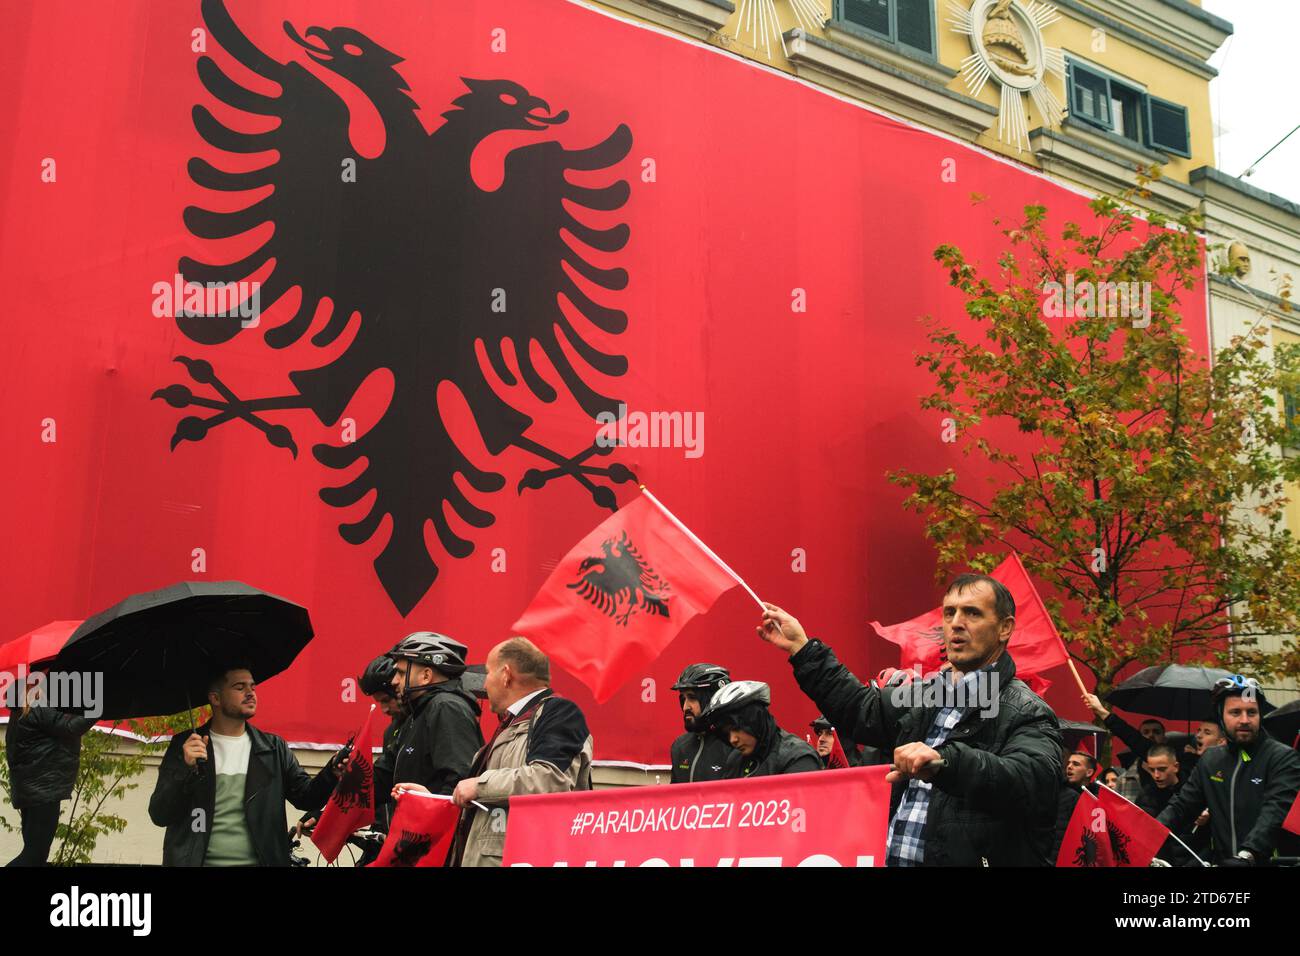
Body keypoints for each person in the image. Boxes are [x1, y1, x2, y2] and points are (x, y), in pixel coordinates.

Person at [758, 573, 1064, 866]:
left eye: (972, 613)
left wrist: (945, 763)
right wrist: (802, 649)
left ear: (1004, 628)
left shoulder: (1027, 710)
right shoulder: (925, 695)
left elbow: (1030, 781)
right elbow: (858, 707)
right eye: (949, 613)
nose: (956, 623)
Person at [148, 664, 342, 866]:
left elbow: (307, 798)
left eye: (253, 687)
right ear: (215, 698)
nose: (250, 693)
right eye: (240, 687)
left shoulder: (273, 749)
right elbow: (160, 814)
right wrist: (186, 771)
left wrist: (331, 772)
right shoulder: (186, 745)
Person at [442, 638, 592, 867]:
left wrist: (479, 785)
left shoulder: (559, 714)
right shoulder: (514, 724)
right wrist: (427, 798)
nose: (484, 684)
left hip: (525, 858)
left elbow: (550, 780)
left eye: (487, 672)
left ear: (505, 675)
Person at [1157, 676, 1300, 865]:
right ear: (1221, 717)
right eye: (1235, 712)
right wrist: (1145, 834)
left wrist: (1249, 854)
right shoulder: (1211, 759)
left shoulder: (1282, 757)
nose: (1244, 720)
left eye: (1251, 712)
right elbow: (1181, 807)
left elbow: (1274, 813)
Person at [4, 672, 94, 866]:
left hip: (32, 790)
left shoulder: (24, 706)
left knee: (36, 856)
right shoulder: (38, 705)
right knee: (34, 856)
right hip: (42, 790)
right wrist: (98, 710)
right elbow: (70, 727)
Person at [386, 632, 483, 797]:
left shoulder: (446, 707)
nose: (394, 681)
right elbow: (386, 773)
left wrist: (428, 802)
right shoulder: (418, 712)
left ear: (426, 676)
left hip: (435, 822)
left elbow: (460, 783)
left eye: (401, 673)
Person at [696, 681, 821, 778]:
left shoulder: (798, 756)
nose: (732, 739)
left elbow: (802, 807)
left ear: (755, 721)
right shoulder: (735, 759)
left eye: (736, 728)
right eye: (726, 733)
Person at [669, 663, 733, 783]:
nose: (685, 707)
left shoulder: (737, 745)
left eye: (692, 698)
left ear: (713, 699)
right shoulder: (680, 746)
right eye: (683, 699)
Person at [1051, 751, 1098, 858]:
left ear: (1089, 772)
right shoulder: (1058, 793)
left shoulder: (1097, 800)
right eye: (1068, 763)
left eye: (1076, 764)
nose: (1069, 767)